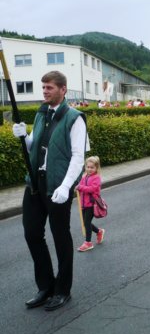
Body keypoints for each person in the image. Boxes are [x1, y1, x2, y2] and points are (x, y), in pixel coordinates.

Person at [12, 71, 87, 311]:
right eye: (43, 87)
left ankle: (63, 289)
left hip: (57, 186)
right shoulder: (41, 113)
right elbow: (35, 145)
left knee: (60, 237)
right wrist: (24, 137)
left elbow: (78, 157)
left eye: (49, 88)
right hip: (35, 184)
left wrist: (66, 186)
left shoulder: (75, 118)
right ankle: (45, 286)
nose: (44, 91)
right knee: (32, 234)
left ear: (63, 89)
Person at [76, 156, 105, 252]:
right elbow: (80, 186)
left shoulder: (97, 178)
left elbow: (91, 189)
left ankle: (88, 242)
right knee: (85, 222)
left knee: (86, 223)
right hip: (84, 204)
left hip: (92, 204)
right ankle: (99, 231)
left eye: (92, 167)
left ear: (96, 168)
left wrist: (80, 187)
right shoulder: (85, 177)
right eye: (87, 167)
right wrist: (77, 187)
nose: (89, 169)